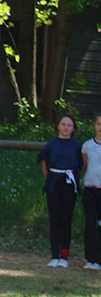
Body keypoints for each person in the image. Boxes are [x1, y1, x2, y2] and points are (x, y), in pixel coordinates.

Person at [38, 112, 82, 268]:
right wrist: (50, 179)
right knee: (54, 219)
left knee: (66, 219)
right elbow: (44, 164)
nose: (66, 128)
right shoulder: (50, 145)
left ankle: (64, 256)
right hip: (54, 183)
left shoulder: (77, 146)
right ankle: (54, 255)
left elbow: (81, 167)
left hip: (69, 183)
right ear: (58, 126)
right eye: (63, 124)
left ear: (73, 128)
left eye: (69, 125)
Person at [80, 113, 101, 270]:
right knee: (90, 223)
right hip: (90, 190)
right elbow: (86, 165)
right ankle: (90, 258)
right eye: (99, 124)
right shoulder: (87, 146)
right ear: (94, 125)